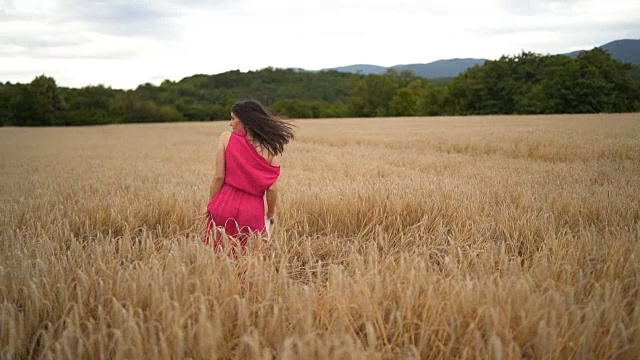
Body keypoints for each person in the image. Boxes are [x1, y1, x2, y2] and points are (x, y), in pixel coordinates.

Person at [203, 99, 295, 254]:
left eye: (233, 118)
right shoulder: (272, 147)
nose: (230, 123)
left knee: (217, 255)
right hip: (252, 209)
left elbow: (219, 177)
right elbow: (272, 188)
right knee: (250, 258)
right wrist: (271, 212)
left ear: (244, 120)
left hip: (224, 203)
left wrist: (212, 205)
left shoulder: (226, 138)